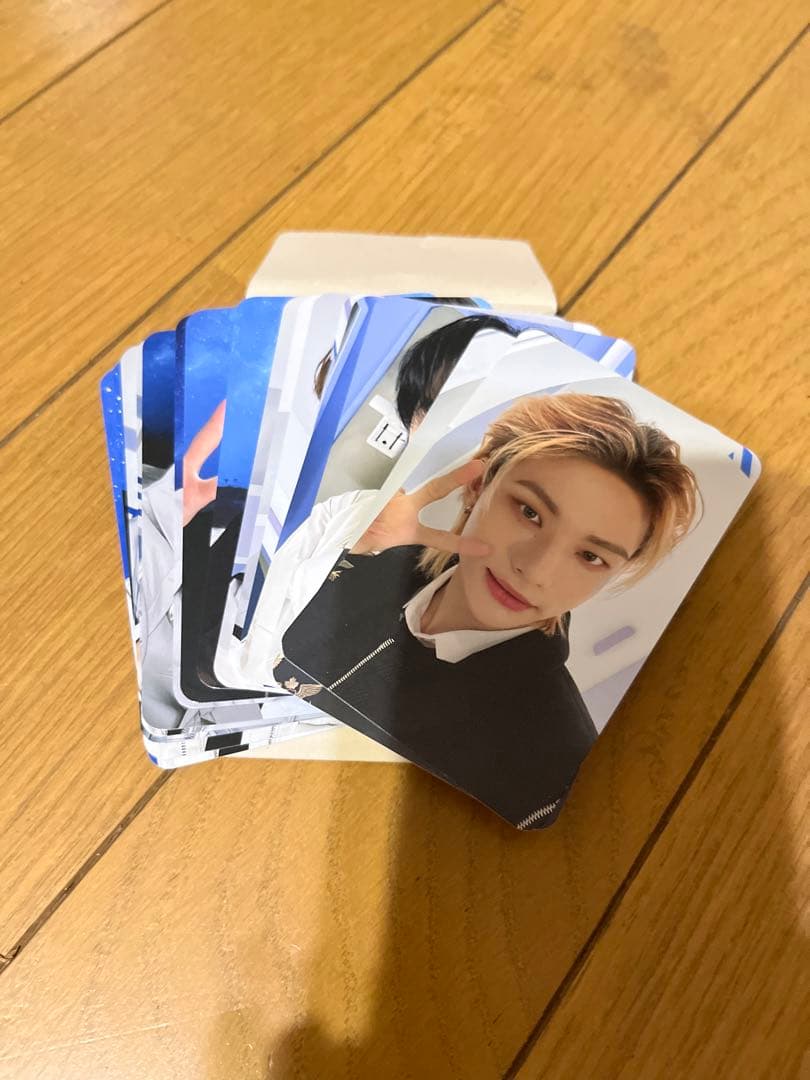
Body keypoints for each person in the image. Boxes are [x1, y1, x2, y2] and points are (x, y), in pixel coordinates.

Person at [254, 393, 700, 828]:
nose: (535, 570)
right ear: (477, 486)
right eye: (530, 512)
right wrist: (338, 552)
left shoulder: (551, 768)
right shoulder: (356, 545)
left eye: (590, 557)